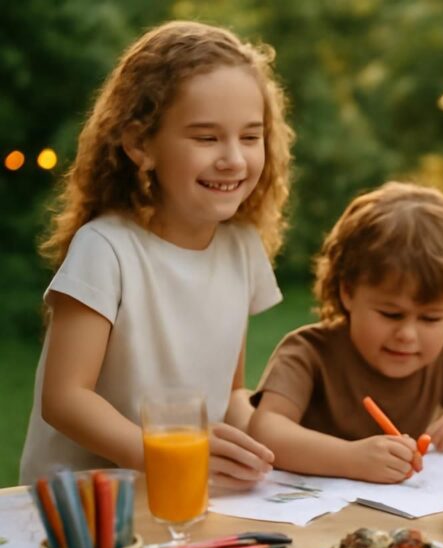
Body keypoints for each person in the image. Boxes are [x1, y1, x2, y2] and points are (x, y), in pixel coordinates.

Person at [19, 21, 293, 489]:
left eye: (250, 137)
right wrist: (169, 453)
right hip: (83, 509)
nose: (233, 158)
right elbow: (65, 399)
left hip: (177, 491)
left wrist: (280, 448)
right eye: (206, 138)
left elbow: (228, 394)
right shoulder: (105, 249)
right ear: (140, 144)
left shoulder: (242, 248)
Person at [249, 182, 443, 483]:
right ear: (348, 291)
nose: (407, 334)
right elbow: (267, 430)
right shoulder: (308, 353)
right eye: (390, 314)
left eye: (431, 318)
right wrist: (350, 459)